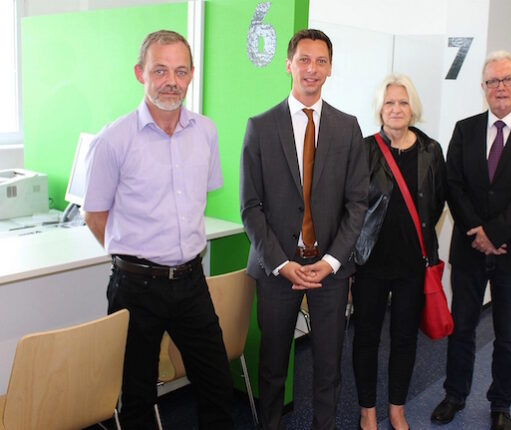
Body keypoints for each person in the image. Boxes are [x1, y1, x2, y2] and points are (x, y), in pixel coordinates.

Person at [82, 30, 233, 429]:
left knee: (217, 385)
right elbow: (95, 214)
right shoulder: (113, 139)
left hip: (190, 282)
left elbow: (197, 198)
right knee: (136, 397)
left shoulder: (206, 132)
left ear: (191, 75)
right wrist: (133, 256)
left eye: (181, 71)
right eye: (161, 70)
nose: (172, 80)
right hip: (136, 288)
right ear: (140, 73)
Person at [240, 28, 369, 430]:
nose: (312, 69)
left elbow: (357, 204)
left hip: (330, 269)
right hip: (277, 270)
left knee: (328, 368)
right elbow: (250, 207)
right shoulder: (260, 127)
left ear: (330, 68)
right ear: (289, 65)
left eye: (321, 61)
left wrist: (331, 261)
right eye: (304, 60)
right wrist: (280, 263)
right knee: (273, 367)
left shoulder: (348, 129)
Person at [430, 51, 511, 430]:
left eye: (507, 80)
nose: (500, 88)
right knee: (462, 327)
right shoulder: (465, 128)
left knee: (509, 334)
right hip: (470, 249)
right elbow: (453, 184)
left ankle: (501, 403)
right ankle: (454, 394)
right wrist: (479, 233)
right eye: (492, 81)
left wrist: (496, 233)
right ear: (483, 88)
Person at [352, 74, 446, 430]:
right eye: (389, 102)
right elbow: (353, 207)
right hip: (370, 265)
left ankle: (396, 408)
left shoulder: (431, 150)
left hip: (412, 267)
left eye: (403, 102)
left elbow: (436, 205)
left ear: (413, 109)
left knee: (405, 339)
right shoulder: (363, 149)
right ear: (380, 108)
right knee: (366, 338)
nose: (396, 109)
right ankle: (367, 411)